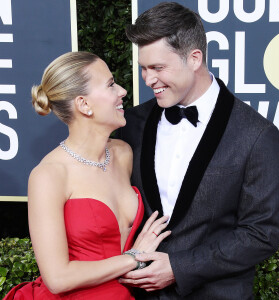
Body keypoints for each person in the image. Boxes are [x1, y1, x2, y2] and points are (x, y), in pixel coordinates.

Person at [116, 2, 279, 299]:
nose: (148, 79)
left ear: (195, 58)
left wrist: (179, 267)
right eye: (143, 68)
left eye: (157, 67)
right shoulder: (133, 123)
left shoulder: (256, 135)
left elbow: (261, 233)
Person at [3, 51, 171, 300]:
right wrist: (133, 257)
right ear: (84, 104)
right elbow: (58, 279)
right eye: (111, 84)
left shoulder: (123, 154)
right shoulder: (49, 175)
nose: (122, 91)